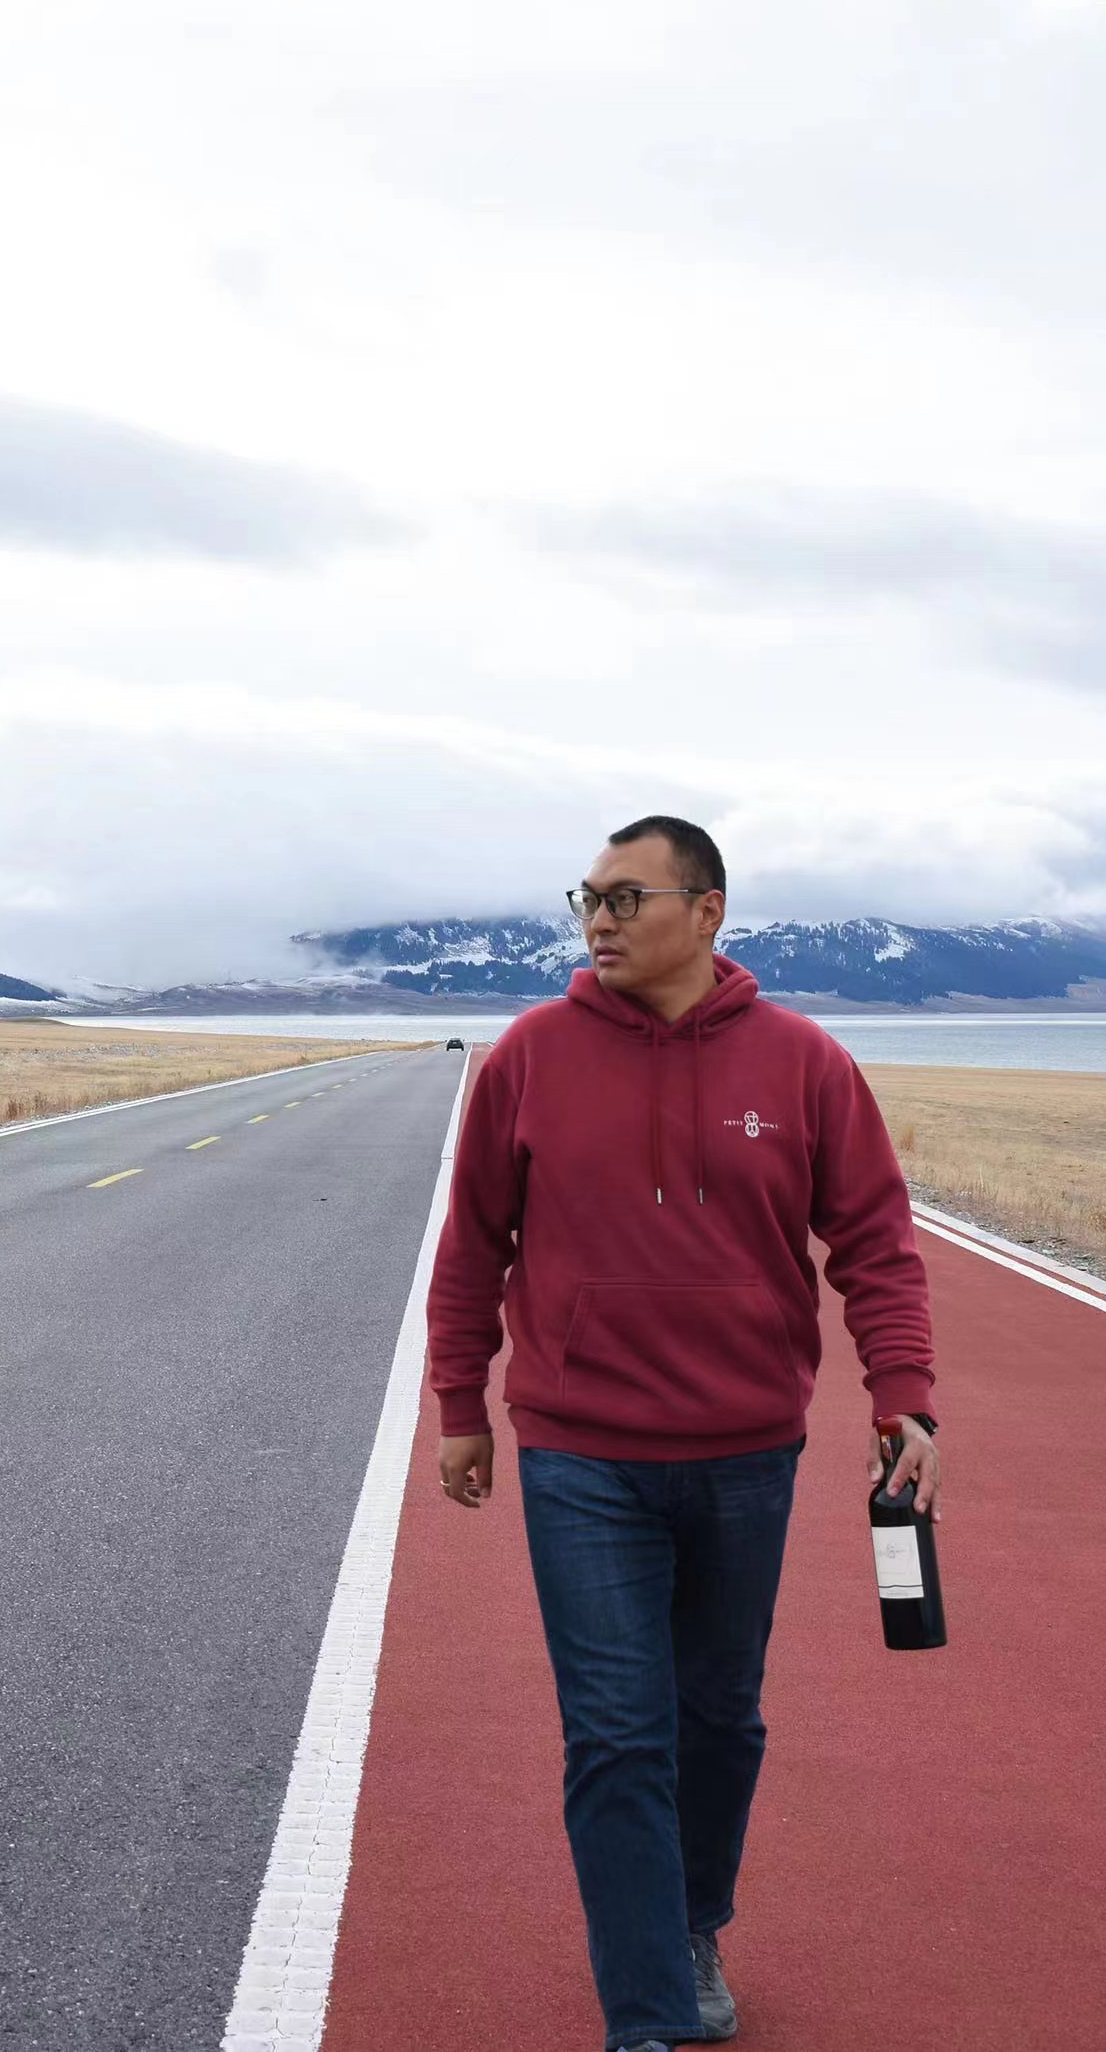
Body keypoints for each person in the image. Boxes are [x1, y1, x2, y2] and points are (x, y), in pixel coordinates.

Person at [427, 814, 942, 2052]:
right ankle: (647, 2015)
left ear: (707, 912)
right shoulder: (530, 1056)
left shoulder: (805, 1064)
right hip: (581, 1452)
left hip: (745, 1452)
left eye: (626, 898)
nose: (598, 921)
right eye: (587, 899)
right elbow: (473, 1244)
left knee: (720, 1720)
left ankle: (693, 1919)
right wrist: (460, 1405)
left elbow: (875, 1243)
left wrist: (904, 1395)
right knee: (615, 1733)